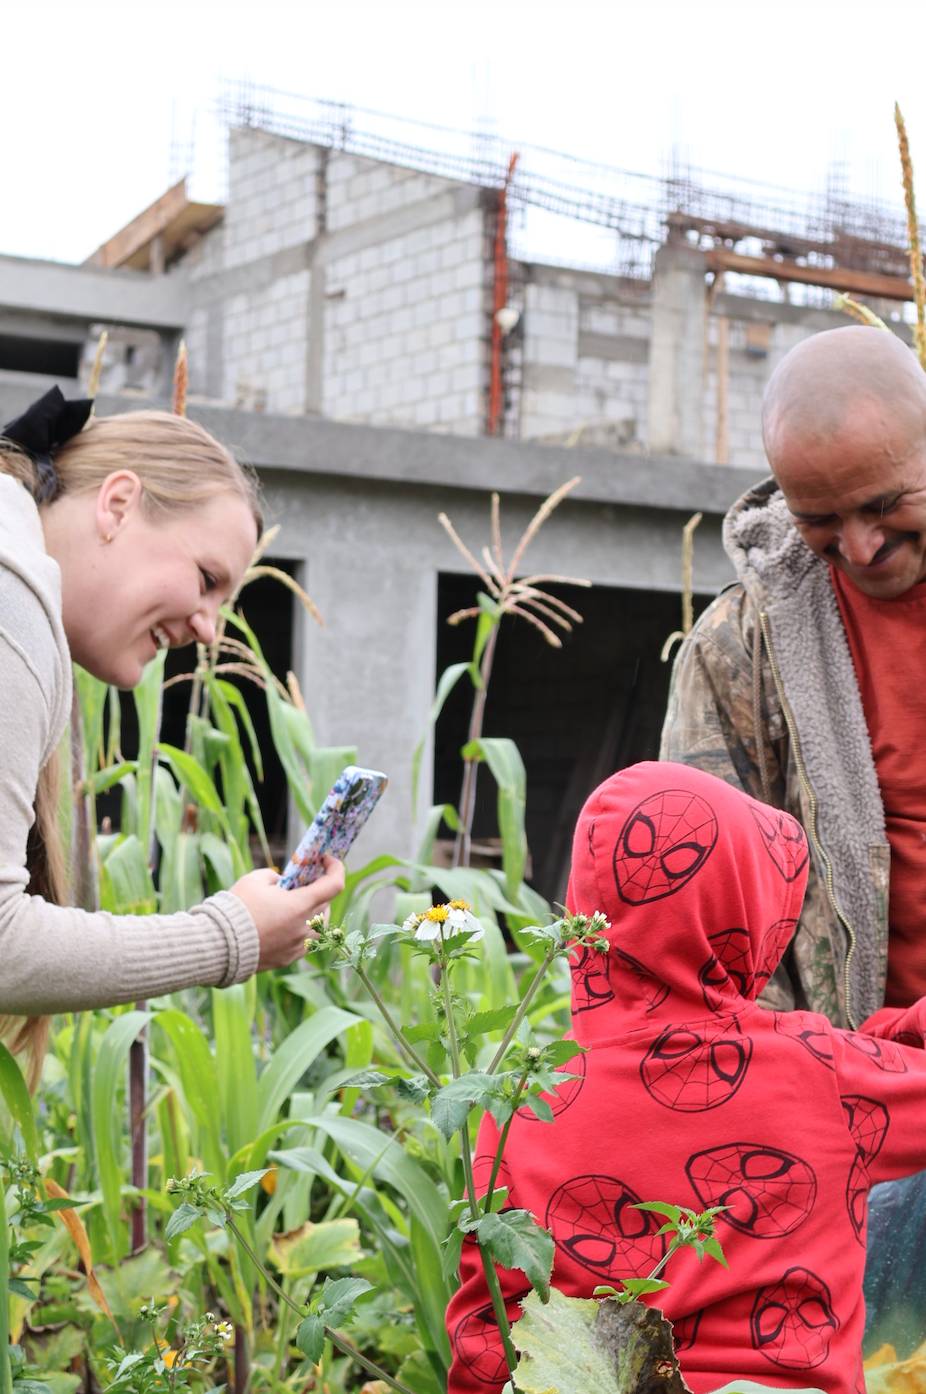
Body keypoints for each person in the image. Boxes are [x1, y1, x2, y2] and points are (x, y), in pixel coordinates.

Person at [446, 761, 926, 1394]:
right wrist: (885, 1037)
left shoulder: (520, 1113)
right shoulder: (817, 1070)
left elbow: (488, 1338)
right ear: (745, 915)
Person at [659, 324, 926, 1348]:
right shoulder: (740, 648)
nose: (860, 547)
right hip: (851, 1124)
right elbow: (693, 921)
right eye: (821, 522)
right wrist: (810, 1097)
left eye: (884, 505)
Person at [0, 387, 344, 1081]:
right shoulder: (13, 609)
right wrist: (230, 935)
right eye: (207, 579)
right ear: (118, 503)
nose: (208, 627)